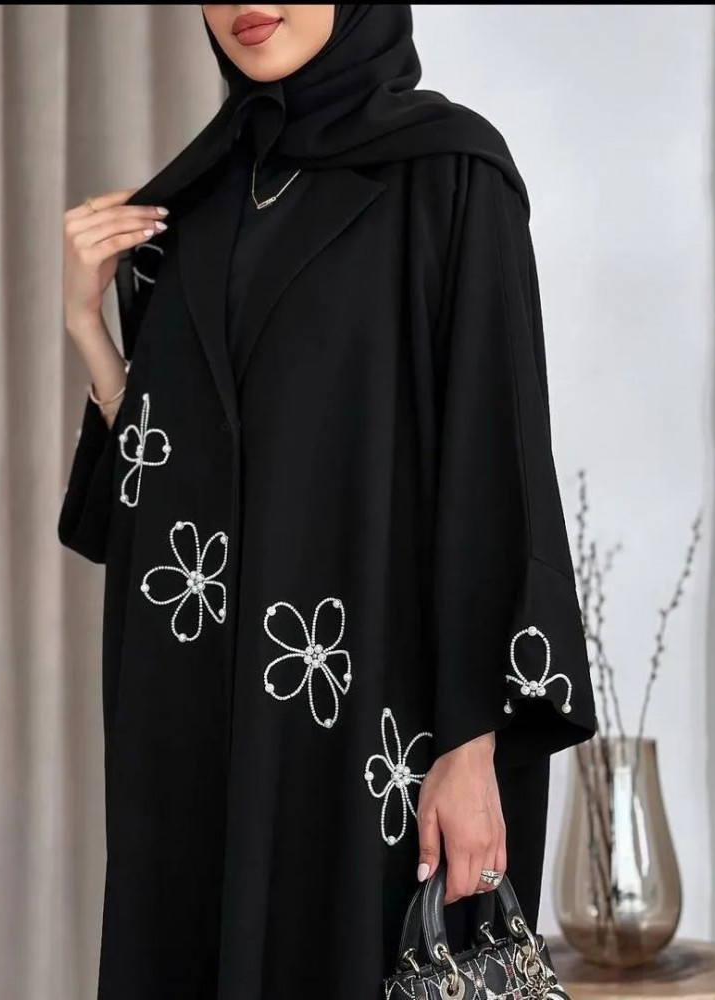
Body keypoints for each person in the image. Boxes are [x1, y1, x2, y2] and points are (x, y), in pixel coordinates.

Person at [59, 5, 596, 998]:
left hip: (373, 732)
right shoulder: (196, 203)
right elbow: (153, 506)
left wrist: (471, 745)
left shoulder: (450, 176)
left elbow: (497, 465)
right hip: (194, 732)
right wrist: (93, 336)